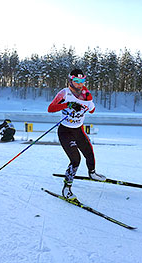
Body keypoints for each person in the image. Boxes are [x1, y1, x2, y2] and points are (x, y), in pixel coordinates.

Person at [48, 69, 106, 200]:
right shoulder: (64, 93)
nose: (79, 84)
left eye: (82, 81)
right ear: (70, 81)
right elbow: (50, 108)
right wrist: (67, 105)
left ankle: (92, 173)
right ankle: (67, 187)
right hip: (65, 131)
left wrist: (85, 104)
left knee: (89, 152)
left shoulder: (86, 94)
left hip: (78, 130)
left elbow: (92, 110)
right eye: (76, 81)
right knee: (75, 160)